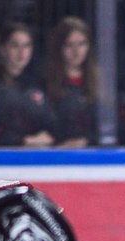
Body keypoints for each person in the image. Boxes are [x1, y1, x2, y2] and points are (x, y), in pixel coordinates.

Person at [0, 22, 55, 147]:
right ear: (2, 49)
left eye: (26, 46)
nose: (21, 52)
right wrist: (23, 141)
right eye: (14, 45)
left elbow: (51, 124)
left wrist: (47, 136)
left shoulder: (36, 85)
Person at [44, 16, 99, 148]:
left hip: (93, 157)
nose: (76, 51)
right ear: (59, 47)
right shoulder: (45, 82)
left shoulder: (100, 83)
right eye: (69, 45)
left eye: (82, 44)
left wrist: (87, 141)